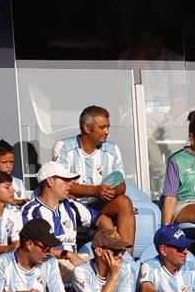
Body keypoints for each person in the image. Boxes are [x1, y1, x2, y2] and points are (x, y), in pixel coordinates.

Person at [52, 104, 137, 248]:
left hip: (98, 204)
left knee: (124, 202)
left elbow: (121, 184)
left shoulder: (112, 149)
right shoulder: (64, 147)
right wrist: (95, 190)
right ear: (87, 128)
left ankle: (127, 259)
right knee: (106, 222)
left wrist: (113, 191)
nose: (107, 131)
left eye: (108, 127)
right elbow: (59, 184)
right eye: (102, 127)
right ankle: (114, 252)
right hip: (71, 203)